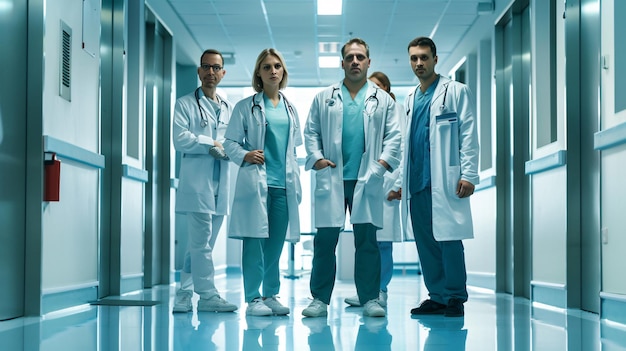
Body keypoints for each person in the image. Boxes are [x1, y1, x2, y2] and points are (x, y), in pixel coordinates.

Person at [302, 38, 402, 318]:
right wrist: (317, 158)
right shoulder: (325, 97)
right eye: (350, 57)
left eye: (360, 57)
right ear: (342, 62)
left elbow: (394, 136)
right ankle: (319, 300)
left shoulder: (382, 100)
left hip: (367, 179)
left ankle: (370, 298)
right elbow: (311, 133)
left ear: (369, 62)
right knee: (325, 242)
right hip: (332, 177)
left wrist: (381, 165)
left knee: (368, 242)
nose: (355, 62)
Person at [400, 36, 479, 318]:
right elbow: (404, 144)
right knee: (426, 241)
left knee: (449, 239)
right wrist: (400, 182)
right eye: (414, 58)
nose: (419, 63)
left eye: (424, 57)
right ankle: (437, 296)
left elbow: (468, 134)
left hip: (445, 181)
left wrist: (469, 174)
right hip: (417, 182)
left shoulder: (456, 92)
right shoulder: (410, 99)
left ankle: (455, 296)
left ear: (435, 58)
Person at [224, 48, 302, 317]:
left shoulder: (291, 109)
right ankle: (253, 297)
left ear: (283, 71)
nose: (273, 71)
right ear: (259, 72)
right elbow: (229, 142)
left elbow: (293, 148)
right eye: (267, 67)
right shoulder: (246, 106)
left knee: (275, 244)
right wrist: (244, 154)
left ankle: (270, 294)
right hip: (256, 183)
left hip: (283, 185)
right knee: (254, 242)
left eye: (277, 66)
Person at [172, 49, 237, 313]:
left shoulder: (229, 108)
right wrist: (211, 143)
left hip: (222, 184)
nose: (211, 72)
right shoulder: (185, 103)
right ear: (199, 71)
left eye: (216, 67)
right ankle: (208, 295)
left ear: (223, 73)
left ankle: (184, 292)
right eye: (206, 67)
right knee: (201, 243)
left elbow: (235, 142)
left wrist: (228, 148)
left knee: (202, 246)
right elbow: (180, 138)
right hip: (197, 185)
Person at [344, 71, 403, 308]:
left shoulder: (395, 112)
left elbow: (401, 148)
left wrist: (398, 185)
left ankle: (381, 290)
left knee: (383, 243)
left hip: (387, 185)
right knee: (368, 241)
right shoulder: (365, 112)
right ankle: (367, 290)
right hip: (366, 184)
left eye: (379, 86)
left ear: (387, 89)